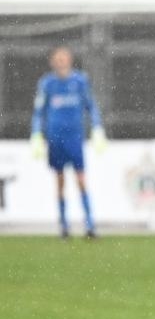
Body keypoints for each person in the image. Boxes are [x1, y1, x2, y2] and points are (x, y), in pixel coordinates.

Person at [30, 46, 106, 239]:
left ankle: (89, 225)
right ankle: (64, 226)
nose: (61, 62)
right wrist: (36, 134)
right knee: (60, 180)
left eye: (63, 58)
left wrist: (97, 128)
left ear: (70, 60)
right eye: (57, 59)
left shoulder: (80, 81)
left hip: (74, 137)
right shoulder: (47, 84)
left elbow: (91, 106)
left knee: (81, 179)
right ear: (52, 62)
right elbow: (39, 111)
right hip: (55, 138)